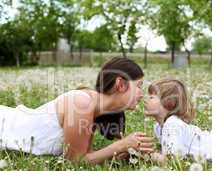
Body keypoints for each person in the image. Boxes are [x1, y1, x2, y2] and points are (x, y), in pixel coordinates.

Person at [0, 57, 154, 165]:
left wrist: (126, 151)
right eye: (139, 85)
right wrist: (121, 145)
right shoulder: (81, 103)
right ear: (120, 84)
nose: (141, 93)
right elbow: (75, 161)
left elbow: (88, 156)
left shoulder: (95, 108)